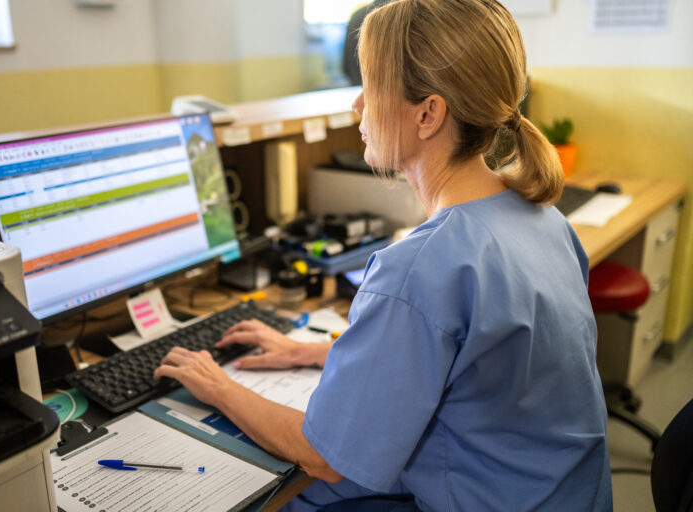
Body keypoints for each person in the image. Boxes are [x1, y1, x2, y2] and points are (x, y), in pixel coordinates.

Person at [154, 1, 613, 510]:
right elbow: (472, 368)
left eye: (371, 86)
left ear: (428, 113)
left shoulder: (423, 267)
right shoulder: (544, 219)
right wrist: (313, 352)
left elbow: (322, 454)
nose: (356, 105)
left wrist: (218, 386)